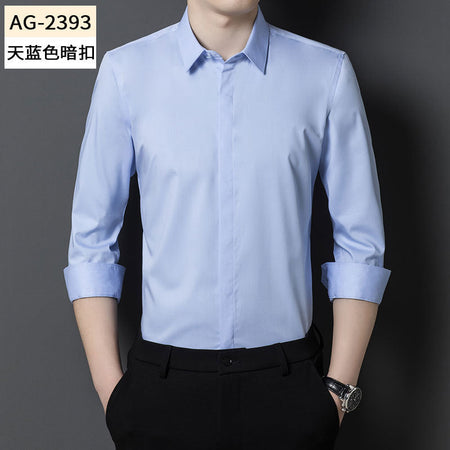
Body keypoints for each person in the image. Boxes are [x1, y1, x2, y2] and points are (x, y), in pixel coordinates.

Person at [62, 1, 392, 449]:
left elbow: (361, 242)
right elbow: (91, 243)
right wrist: (113, 395)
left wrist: (336, 392)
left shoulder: (326, 72)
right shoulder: (126, 72)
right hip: (162, 392)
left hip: (288, 390)